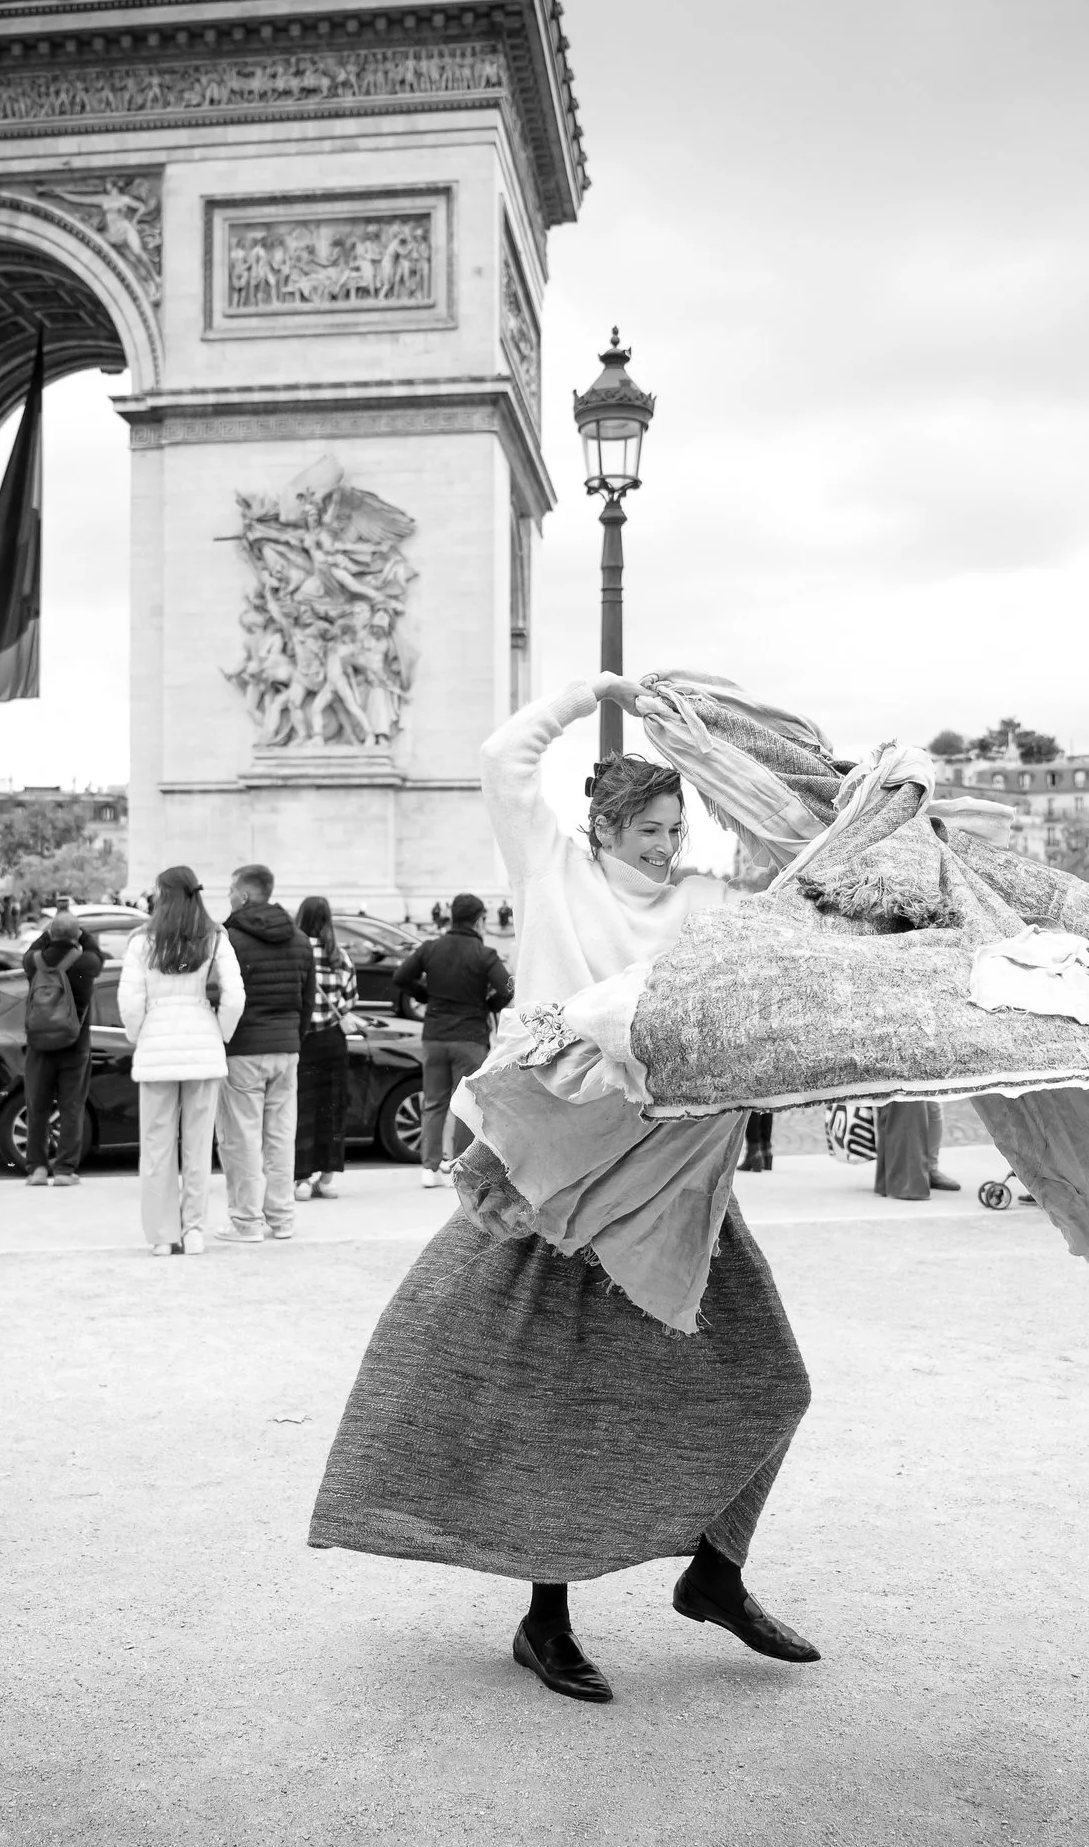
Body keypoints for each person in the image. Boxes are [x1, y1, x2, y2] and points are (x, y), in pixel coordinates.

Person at [312, 674, 816, 1707]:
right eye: (649, 826)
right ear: (603, 823)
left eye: (677, 825)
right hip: (548, 1178)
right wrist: (593, 697)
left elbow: (792, 874)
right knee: (549, 1397)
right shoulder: (547, 867)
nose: (666, 843)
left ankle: (714, 1573)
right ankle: (545, 1617)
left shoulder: (706, 901)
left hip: (675, 1182)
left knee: (777, 1380)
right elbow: (502, 757)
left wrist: (721, 751)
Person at [118, 867, 244, 1256]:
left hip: (158, 1042)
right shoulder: (214, 936)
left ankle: (162, 1235)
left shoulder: (143, 940)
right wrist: (220, 1031)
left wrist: (139, 1033)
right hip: (202, 1043)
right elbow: (235, 995)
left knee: (156, 1148)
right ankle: (194, 1232)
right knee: (197, 1146)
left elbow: (129, 1000)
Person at [391, 893, 513, 1190]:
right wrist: (489, 1005)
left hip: (434, 1035)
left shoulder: (431, 948)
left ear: (451, 917)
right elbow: (508, 988)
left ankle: (429, 1168)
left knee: (433, 1101)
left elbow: (400, 977)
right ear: (479, 919)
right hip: (469, 1038)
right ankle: (457, 1165)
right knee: (465, 1105)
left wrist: (424, 994)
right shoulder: (485, 954)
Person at [218, 864, 314, 1243]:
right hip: (286, 1047)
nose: (227, 896)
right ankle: (282, 1218)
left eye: (230, 890)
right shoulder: (300, 939)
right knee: (280, 1137)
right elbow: (306, 1001)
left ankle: (246, 1221)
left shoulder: (229, 939)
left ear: (243, 895)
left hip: (244, 1048)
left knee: (240, 1138)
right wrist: (294, 1036)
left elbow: (223, 996)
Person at [19, 912, 100, 1186]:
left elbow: (31, 949)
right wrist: (81, 934)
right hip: (75, 1046)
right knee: (72, 1107)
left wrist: (48, 933)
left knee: (37, 1108)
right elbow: (97, 954)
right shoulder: (86, 963)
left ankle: (37, 1169)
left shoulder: (34, 962)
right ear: (76, 936)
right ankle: (65, 1170)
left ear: (50, 935)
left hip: (39, 1046)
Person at [293, 896, 356, 1201]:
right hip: (332, 1040)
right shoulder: (339, 956)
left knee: (302, 1108)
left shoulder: (296, 953)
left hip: (303, 1040)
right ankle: (326, 1177)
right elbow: (350, 1000)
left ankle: (301, 1177)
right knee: (332, 1109)